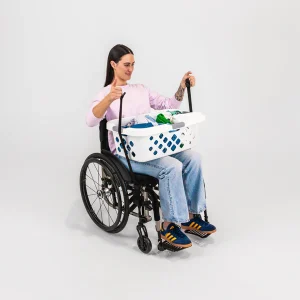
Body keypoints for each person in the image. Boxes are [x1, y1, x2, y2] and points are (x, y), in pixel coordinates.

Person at [86, 44, 216, 249]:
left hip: (151, 146)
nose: (130, 69)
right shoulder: (105, 93)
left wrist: (182, 86)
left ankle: (191, 216)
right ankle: (168, 225)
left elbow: (169, 106)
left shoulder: (141, 90)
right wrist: (110, 98)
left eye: (133, 65)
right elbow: (91, 120)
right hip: (126, 153)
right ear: (113, 64)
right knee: (171, 167)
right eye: (126, 65)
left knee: (193, 158)